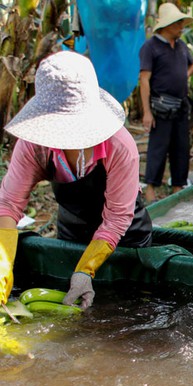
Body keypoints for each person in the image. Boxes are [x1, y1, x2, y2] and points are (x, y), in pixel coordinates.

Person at [0, 51, 152, 310]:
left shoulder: (119, 146)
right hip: (72, 231)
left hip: (125, 240)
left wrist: (86, 269)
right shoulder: (34, 146)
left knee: (126, 309)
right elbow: (8, 205)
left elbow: (116, 218)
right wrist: (3, 270)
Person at [139, 2, 193, 204]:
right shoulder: (151, 47)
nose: (181, 27)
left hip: (181, 104)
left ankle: (178, 186)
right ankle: (151, 188)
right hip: (161, 105)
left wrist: (182, 76)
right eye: (178, 23)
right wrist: (147, 111)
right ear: (167, 25)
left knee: (181, 146)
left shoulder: (181, 46)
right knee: (159, 146)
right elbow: (144, 78)